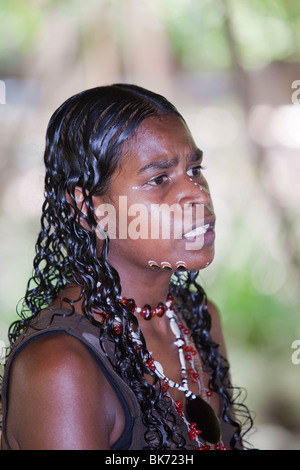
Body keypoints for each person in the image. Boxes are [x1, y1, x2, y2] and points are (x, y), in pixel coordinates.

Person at [0, 84, 253, 450]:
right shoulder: (60, 367)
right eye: (158, 179)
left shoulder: (198, 319)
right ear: (89, 209)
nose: (198, 193)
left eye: (195, 169)